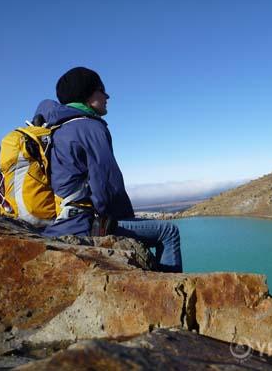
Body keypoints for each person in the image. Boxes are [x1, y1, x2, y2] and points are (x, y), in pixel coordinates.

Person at [34, 67, 182, 273]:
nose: (107, 96)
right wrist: (125, 219)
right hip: (84, 225)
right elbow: (107, 188)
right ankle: (171, 290)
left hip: (58, 223)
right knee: (168, 231)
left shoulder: (56, 127)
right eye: (101, 90)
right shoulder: (90, 127)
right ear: (87, 94)